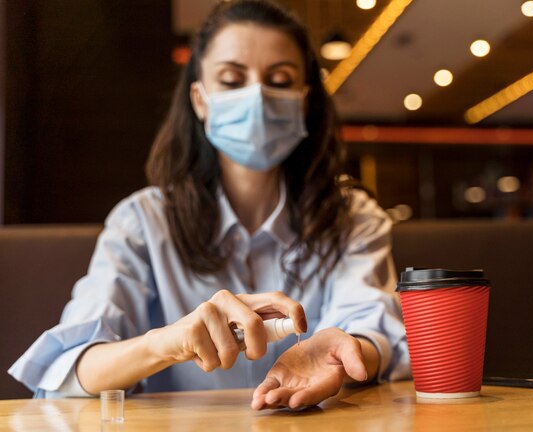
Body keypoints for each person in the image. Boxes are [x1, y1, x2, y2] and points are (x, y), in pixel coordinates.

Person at [9, 0, 409, 410]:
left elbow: (374, 327)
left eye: (280, 79)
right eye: (232, 80)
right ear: (200, 99)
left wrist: (346, 350)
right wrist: (168, 342)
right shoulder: (141, 222)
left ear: (304, 100)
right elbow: (69, 369)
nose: (257, 96)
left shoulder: (353, 217)